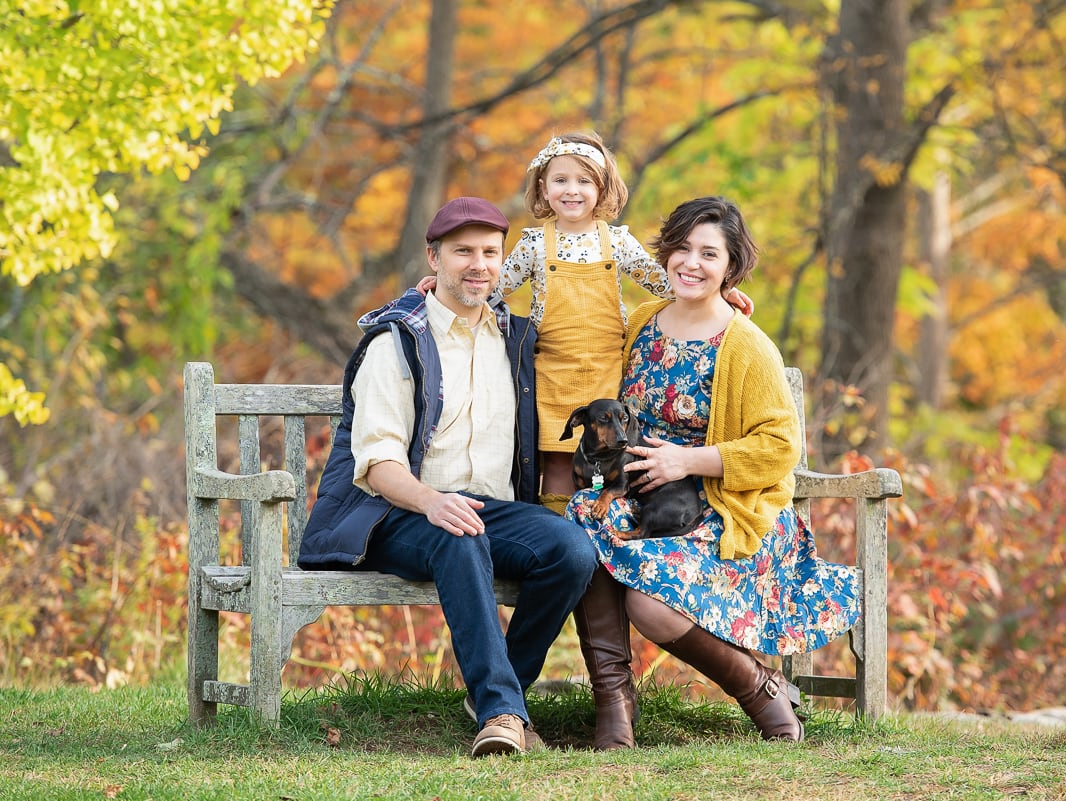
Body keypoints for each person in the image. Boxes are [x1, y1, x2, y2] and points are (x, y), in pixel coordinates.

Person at [298, 197, 598, 758]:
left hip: (487, 509)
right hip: (395, 513)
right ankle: (502, 713)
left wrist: (713, 296)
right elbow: (378, 464)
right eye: (463, 252)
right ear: (434, 258)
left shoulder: (517, 340)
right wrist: (432, 501)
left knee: (573, 550)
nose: (478, 265)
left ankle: (498, 688)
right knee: (459, 535)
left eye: (490, 252)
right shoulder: (396, 343)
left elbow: (598, 340)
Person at [566, 196, 862, 748]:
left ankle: (760, 688)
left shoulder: (745, 344)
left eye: (709, 254)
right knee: (585, 520)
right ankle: (614, 703)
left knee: (649, 604)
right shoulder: (642, 322)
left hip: (722, 509)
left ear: (731, 266)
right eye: (682, 248)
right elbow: (567, 339)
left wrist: (688, 460)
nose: (691, 263)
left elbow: (780, 446)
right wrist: (443, 294)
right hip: (641, 501)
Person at [418, 132, 753, 515]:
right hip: (553, 373)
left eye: (584, 181)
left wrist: (721, 291)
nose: (572, 190)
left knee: (605, 458)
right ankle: (558, 531)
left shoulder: (617, 242)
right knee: (559, 462)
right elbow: (492, 288)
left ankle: (598, 528)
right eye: (560, 180)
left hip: (605, 372)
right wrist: (443, 287)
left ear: (602, 188)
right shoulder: (534, 245)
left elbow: (666, 283)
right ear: (543, 189)